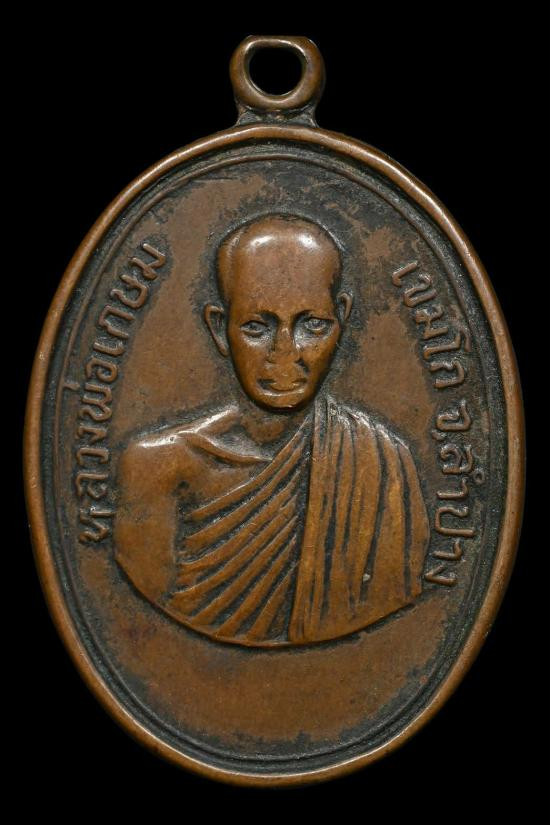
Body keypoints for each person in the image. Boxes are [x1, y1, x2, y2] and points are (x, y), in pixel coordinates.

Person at [115, 215, 429, 647]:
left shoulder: (383, 462)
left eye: (312, 326)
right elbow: (143, 632)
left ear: (342, 319)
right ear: (219, 328)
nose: (286, 354)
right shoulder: (156, 467)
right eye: (257, 327)